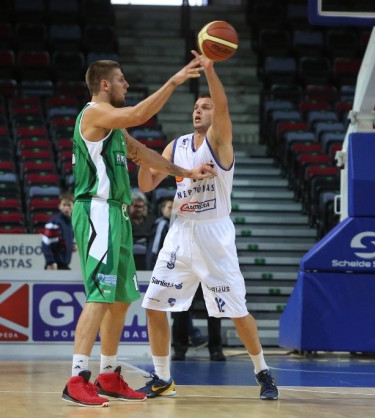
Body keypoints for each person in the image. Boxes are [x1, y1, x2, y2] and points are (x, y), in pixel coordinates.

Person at [61, 58, 217, 408]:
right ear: (104, 85)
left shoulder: (114, 128)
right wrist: (174, 81)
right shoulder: (94, 114)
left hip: (117, 214)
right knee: (100, 296)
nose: (126, 84)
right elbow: (138, 113)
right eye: (121, 80)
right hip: (97, 210)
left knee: (120, 300)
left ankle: (108, 374)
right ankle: (76, 378)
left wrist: (186, 172)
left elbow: (144, 154)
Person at [137, 51, 279, 400]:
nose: (198, 110)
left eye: (205, 106)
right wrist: (140, 156)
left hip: (214, 234)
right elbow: (147, 184)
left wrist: (211, 71)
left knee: (238, 312)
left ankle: (262, 372)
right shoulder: (176, 146)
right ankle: (162, 377)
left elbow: (224, 108)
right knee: (154, 305)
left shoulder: (220, 142)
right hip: (181, 232)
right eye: (195, 107)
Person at [146, 197, 221, 361]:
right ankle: (180, 349)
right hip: (184, 268)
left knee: (214, 308)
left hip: (207, 268)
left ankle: (216, 349)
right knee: (180, 309)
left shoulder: (211, 221)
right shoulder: (176, 223)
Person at [41, 191, 75, 270]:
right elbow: (45, 243)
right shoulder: (54, 222)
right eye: (64, 205)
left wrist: (73, 244)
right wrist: (50, 262)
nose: (66, 208)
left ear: (74, 206)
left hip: (64, 265)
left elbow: (67, 240)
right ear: (59, 206)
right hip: (54, 266)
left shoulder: (71, 222)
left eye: (69, 205)